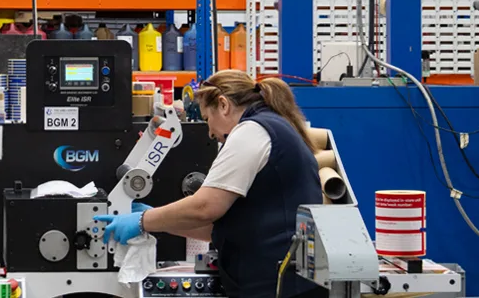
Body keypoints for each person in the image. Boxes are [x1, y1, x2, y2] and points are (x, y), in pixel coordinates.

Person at [96, 70, 325, 298]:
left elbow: (205, 207)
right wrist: (154, 220)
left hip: (278, 286)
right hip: (282, 284)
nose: (210, 133)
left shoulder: (252, 131)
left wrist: (142, 220)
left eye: (207, 119)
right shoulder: (272, 127)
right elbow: (215, 228)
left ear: (223, 105)